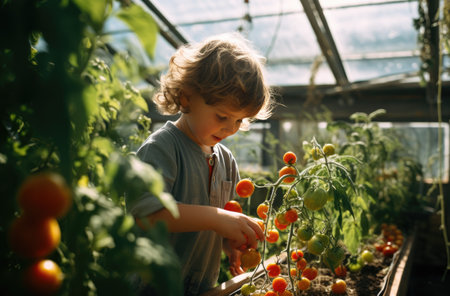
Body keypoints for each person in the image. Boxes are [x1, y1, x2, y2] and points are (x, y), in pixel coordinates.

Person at [128, 32, 275, 295]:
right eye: (222, 116)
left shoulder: (226, 161)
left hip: (199, 286)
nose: (231, 128)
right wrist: (217, 218)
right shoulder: (161, 149)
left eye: (239, 121)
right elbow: (147, 216)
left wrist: (228, 242)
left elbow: (211, 225)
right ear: (186, 98)